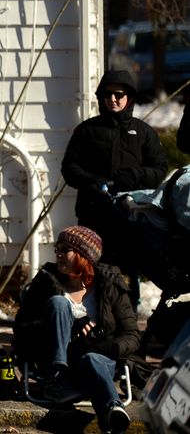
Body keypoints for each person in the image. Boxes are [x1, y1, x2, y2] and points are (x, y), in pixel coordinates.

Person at [13, 226, 140, 434]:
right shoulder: (46, 281)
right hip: (56, 366)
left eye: (65, 250)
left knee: (92, 358)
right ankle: (59, 378)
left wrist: (108, 347)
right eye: (57, 250)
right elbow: (22, 328)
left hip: (95, 360)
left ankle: (112, 412)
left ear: (83, 255)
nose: (58, 254)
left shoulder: (109, 283)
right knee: (58, 304)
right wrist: (70, 323)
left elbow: (132, 335)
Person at [61, 69, 167, 301]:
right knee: (91, 273)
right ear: (101, 97)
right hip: (93, 216)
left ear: (129, 97)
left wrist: (136, 175)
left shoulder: (142, 133)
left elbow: (159, 170)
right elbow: (69, 169)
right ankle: (90, 322)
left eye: (119, 94)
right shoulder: (87, 131)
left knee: (127, 276)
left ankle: (128, 327)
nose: (113, 99)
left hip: (130, 218)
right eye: (108, 94)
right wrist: (92, 182)